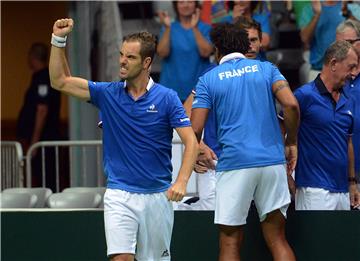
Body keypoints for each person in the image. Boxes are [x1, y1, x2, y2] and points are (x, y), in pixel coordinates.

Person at [49, 18, 199, 261]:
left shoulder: (168, 98)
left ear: (147, 62)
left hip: (157, 197)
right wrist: (58, 39)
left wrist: (181, 182)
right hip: (119, 194)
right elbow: (60, 81)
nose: (122, 61)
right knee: (121, 258)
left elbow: (191, 142)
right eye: (121, 55)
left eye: (130, 57)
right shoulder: (108, 94)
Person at [191, 22, 299, 261]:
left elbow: (195, 128)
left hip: (234, 165)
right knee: (278, 238)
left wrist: (197, 150)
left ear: (217, 49)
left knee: (229, 242)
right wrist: (291, 141)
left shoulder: (208, 79)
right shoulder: (267, 69)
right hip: (272, 163)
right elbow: (291, 105)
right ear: (244, 45)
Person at [180, 17, 265, 211]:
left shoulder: (267, 72)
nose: (250, 46)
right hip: (214, 163)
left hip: (256, 163)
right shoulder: (212, 72)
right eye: (246, 40)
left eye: (254, 40)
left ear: (261, 42)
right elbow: (185, 110)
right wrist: (198, 146)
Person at [293, 40, 360, 211]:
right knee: (315, 239)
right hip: (313, 188)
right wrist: (285, 176)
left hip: (343, 190)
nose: (353, 73)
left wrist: (352, 182)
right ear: (333, 64)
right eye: (350, 67)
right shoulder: (304, 95)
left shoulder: (348, 99)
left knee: (341, 239)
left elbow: (348, 142)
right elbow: (282, 133)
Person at [16, 42, 61, 190]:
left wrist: (34, 142)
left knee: (44, 180)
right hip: (40, 140)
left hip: (43, 141)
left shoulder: (43, 79)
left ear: (33, 57)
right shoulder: (41, 78)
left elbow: (42, 110)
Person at [157, 0, 213, 102]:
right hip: (170, 91)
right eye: (181, 2)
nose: (186, 5)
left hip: (198, 91)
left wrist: (194, 28)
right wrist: (168, 28)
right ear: (176, 5)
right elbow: (162, 53)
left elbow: (206, 52)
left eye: (190, 1)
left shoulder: (205, 28)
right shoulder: (168, 27)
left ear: (196, 5)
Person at [336, 19, 360, 191]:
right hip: (338, 171)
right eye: (340, 44)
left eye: (349, 43)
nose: (344, 49)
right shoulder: (330, 79)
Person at [299, 0, 344, 82]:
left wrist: (347, 10)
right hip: (318, 70)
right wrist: (317, 15)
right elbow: (304, 38)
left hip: (345, 70)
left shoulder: (351, 7)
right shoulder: (309, 9)